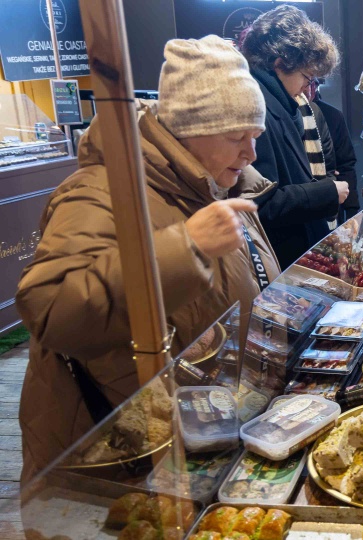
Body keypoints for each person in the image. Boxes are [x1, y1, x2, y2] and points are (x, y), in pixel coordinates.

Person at [15, 36, 282, 483]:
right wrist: (187, 247)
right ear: (188, 128)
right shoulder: (101, 192)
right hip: (112, 459)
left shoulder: (217, 186)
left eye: (254, 136)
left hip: (195, 441)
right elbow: (52, 309)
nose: (250, 153)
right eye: (236, 136)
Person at [239, 5, 349, 267]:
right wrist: (326, 192)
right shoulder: (258, 109)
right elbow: (263, 204)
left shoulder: (282, 105)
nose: (307, 87)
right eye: (306, 76)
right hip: (280, 259)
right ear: (280, 64)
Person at [310, 86, 360, 222]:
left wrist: (352, 210)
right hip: (307, 199)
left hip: (333, 198)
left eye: (312, 83)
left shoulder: (332, 115)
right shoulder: (287, 114)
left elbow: (346, 165)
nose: (308, 88)